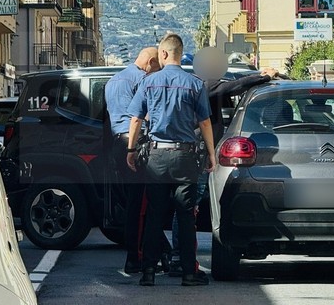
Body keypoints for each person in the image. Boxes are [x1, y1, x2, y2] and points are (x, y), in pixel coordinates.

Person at [168, 66, 280, 277]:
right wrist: (263, 76)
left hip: (190, 153)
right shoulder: (205, 85)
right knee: (187, 208)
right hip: (199, 155)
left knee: (184, 207)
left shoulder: (197, 85)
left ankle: (174, 256)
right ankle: (179, 258)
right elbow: (234, 86)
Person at [126, 33, 216, 287]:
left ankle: (148, 273)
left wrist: (131, 150)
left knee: (154, 215)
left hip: (156, 156)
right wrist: (210, 154)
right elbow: (205, 122)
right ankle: (188, 272)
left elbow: (136, 119)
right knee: (186, 215)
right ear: (180, 52)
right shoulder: (195, 84)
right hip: (185, 156)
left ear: (163, 54)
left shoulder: (149, 82)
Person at [105, 47, 164, 274]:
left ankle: (150, 252)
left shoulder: (113, 81)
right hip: (136, 142)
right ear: (150, 62)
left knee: (134, 202)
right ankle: (136, 257)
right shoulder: (143, 81)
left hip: (117, 143)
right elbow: (145, 115)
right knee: (142, 205)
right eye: (157, 67)